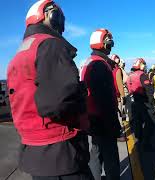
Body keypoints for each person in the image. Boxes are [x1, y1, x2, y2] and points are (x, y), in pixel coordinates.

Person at [6, 0, 93, 179]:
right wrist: (80, 98)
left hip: (36, 153)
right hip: (62, 153)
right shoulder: (51, 45)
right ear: (48, 15)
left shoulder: (22, 51)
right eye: (60, 16)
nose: (62, 24)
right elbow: (54, 104)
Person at [81, 29, 121, 180]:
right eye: (109, 41)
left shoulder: (90, 61)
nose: (111, 45)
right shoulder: (100, 65)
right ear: (104, 43)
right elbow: (105, 99)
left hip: (92, 116)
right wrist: (113, 124)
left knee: (96, 153)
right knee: (110, 155)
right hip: (103, 119)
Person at [127, 58, 155, 151]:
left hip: (134, 101)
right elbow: (149, 90)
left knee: (137, 121)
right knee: (150, 122)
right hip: (144, 101)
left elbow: (129, 88)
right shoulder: (142, 75)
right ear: (141, 65)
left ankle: (139, 138)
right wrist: (151, 102)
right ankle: (146, 143)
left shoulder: (130, 75)